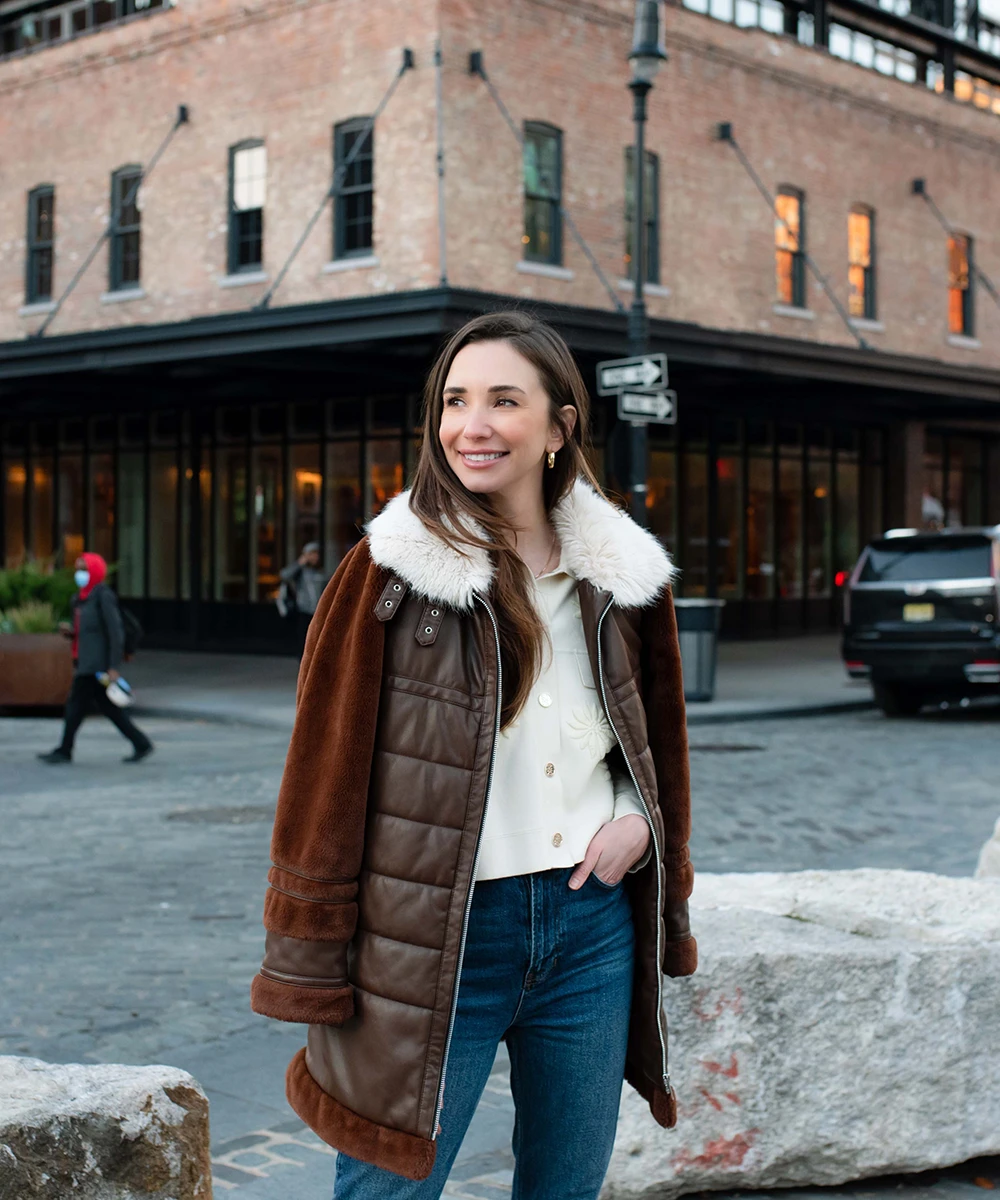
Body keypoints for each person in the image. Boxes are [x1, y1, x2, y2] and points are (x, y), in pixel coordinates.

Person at [250, 312, 696, 1199]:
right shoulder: (388, 574)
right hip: (432, 939)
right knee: (388, 1189)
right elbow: (321, 779)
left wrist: (640, 824)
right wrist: (308, 955)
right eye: (454, 401)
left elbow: (654, 746)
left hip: (590, 929)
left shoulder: (620, 576)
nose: (472, 424)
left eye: (503, 400)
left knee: (566, 1187)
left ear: (560, 426)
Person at [38, 552, 154, 765]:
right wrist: (72, 633)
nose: (79, 574)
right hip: (85, 660)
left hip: (96, 664)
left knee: (75, 705)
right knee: (108, 708)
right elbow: (89, 631)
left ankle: (65, 750)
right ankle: (141, 743)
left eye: (84, 569)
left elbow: (115, 631)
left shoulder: (103, 596)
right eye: (78, 569)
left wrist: (113, 665)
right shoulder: (79, 599)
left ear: (95, 571)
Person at [279, 542, 328, 648]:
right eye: (312, 554)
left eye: (316, 554)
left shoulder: (320, 572)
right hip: (303, 612)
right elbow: (284, 575)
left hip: (318, 612)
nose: (315, 557)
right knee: (303, 642)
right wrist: (299, 563)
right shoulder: (300, 571)